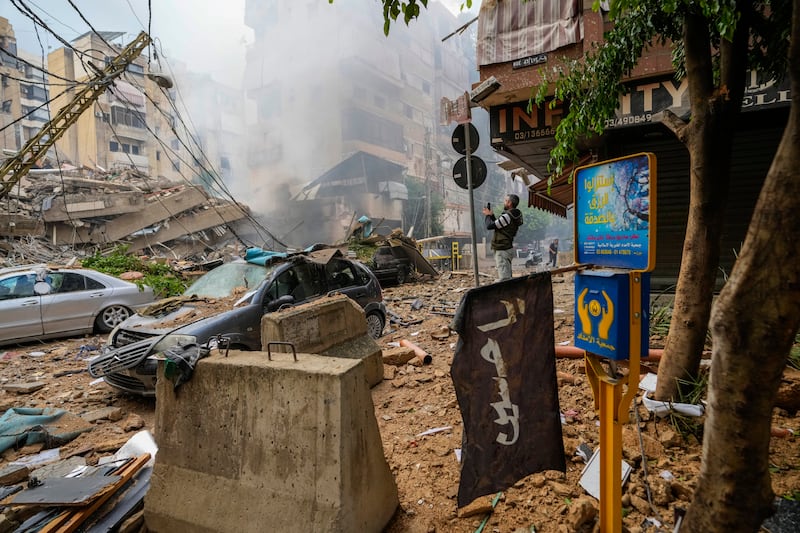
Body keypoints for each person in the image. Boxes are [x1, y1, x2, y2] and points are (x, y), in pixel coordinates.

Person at [482, 194, 523, 281]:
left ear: (509, 203)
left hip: (502, 249)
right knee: (507, 276)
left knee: (504, 278)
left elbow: (489, 226)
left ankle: (508, 294)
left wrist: (487, 215)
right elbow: (499, 225)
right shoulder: (512, 216)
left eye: (505, 201)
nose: (504, 202)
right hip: (507, 248)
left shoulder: (507, 216)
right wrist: (492, 215)